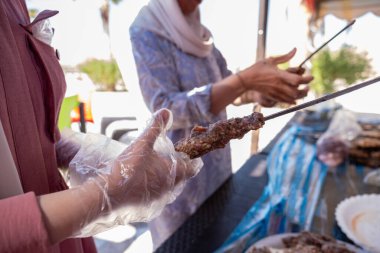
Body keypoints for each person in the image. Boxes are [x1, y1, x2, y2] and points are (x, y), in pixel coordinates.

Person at [0, 1, 201, 252]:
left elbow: (31, 128)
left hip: (65, 234)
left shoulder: (15, 6)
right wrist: (104, 195)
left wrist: (94, 156)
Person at [129, 0, 314, 248]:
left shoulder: (201, 35)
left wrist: (261, 93)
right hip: (177, 175)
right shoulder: (147, 30)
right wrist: (245, 80)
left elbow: (229, 88)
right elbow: (166, 107)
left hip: (217, 169)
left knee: (218, 237)